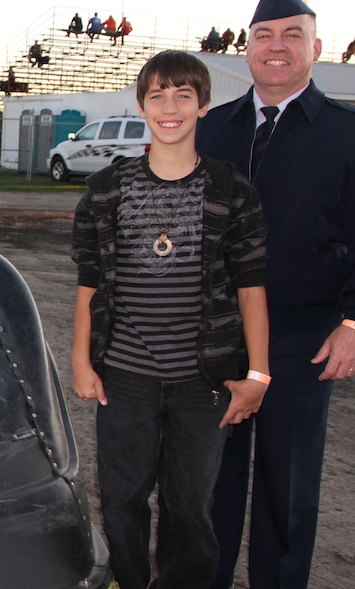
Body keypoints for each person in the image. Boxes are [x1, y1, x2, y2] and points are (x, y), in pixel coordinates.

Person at [72, 49, 270, 589]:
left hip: (202, 383)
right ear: (142, 105)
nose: (170, 106)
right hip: (125, 377)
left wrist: (258, 376)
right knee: (121, 502)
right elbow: (90, 283)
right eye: (158, 94)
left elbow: (252, 290)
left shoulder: (232, 192)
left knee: (190, 511)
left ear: (203, 106)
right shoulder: (105, 193)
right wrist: (82, 360)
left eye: (184, 95)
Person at [196, 0, 355, 589]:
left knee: (287, 490)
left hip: (302, 339)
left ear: (317, 48)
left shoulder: (344, 134)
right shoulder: (211, 132)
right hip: (218, 340)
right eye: (264, 36)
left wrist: (351, 323)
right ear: (248, 52)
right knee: (210, 484)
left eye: (293, 35)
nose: (277, 47)